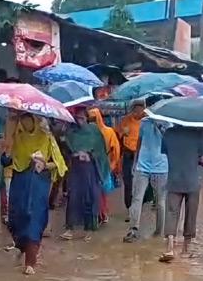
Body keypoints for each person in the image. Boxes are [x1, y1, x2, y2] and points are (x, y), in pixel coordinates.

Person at [3, 115, 67, 275]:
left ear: (35, 120)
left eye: (28, 119)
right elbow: (6, 160)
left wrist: (44, 164)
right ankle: (21, 246)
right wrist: (5, 146)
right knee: (17, 216)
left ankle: (30, 262)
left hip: (39, 182)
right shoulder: (16, 136)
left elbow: (59, 163)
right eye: (22, 120)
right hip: (20, 180)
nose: (25, 123)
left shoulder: (47, 136)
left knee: (34, 216)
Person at [159, 126, 203, 262]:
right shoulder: (198, 134)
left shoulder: (168, 133)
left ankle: (169, 248)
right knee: (191, 214)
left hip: (174, 179)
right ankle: (186, 250)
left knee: (171, 212)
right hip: (192, 181)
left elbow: (164, 152)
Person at [61, 107, 109, 241]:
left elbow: (101, 151)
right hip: (76, 169)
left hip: (90, 170)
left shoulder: (94, 131)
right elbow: (65, 149)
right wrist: (73, 152)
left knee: (91, 197)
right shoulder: (71, 131)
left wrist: (90, 155)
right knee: (73, 197)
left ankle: (90, 230)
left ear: (87, 118)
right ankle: (70, 228)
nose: (80, 120)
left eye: (82, 117)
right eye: (78, 117)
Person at [124, 117, 169, 242]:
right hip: (144, 165)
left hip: (160, 167)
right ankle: (133, 229)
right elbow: (139, 141)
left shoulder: (167, 123)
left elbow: (170, 143)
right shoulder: (144, 122)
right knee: (137, 198)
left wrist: (161, 128)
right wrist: (135, 160)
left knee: (160, 201)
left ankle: (159, 231)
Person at [87, 107, 120, 221]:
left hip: (103, 164)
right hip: (90, 163)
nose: (92, 121)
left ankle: (102, 213)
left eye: (94, 118)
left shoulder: (108, 132)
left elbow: (115, 150)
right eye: (90, 119)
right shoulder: (86, 133)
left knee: (102, 191)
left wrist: (113, 165)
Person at [115, 101, 144, 212]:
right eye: (136, 110)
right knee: (128, 181)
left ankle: (138, 205)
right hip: (128, 153)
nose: (138, 113)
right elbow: (117, 132)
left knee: (140, 181)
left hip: (141, 154)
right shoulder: (126, 119)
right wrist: (123, 132)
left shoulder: (146, 121)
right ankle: (129, 207)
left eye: (140, 110)